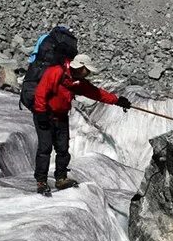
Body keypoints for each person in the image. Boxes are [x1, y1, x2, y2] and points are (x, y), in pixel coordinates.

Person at [31, 53, 131, 194]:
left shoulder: (77, 81)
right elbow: (41, 91)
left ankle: (61, 178)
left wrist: (117, 100)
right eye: (87, 70)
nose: (89, 73)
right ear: (81, 67)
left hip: (61, 116)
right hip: (45, 115)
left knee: (63, 148)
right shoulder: (56, 72)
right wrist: (40, 112)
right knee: (45, 148)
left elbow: (96, 93)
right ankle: (41, 181)